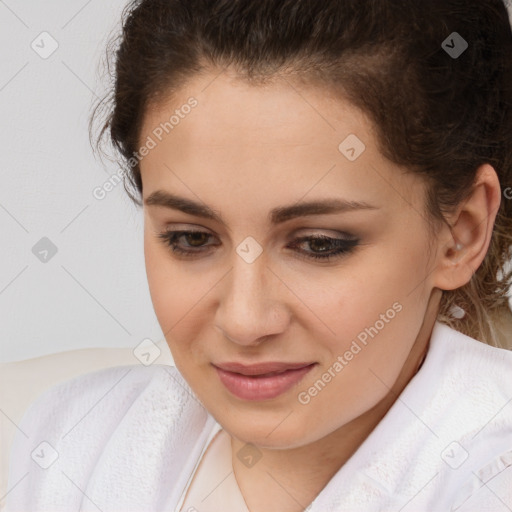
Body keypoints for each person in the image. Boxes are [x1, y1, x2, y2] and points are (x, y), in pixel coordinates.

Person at [5, 0, 512, 511]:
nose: (244, 322)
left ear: (461, 233)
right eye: (191, 238)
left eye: (319, 244)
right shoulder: (76, 444)